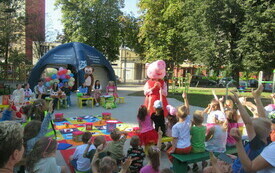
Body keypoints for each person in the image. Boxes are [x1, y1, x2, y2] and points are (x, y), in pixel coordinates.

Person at [167, 92, 192, 162]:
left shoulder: (175, 127)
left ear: (177, 115)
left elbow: (174, 140)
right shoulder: (188, 120)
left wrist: (173, 149)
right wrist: (185, 98)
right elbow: (187, 108)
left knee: (168, 153)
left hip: (180, 148)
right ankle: (183, 164)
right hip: (188, 147)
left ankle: (176, 166)